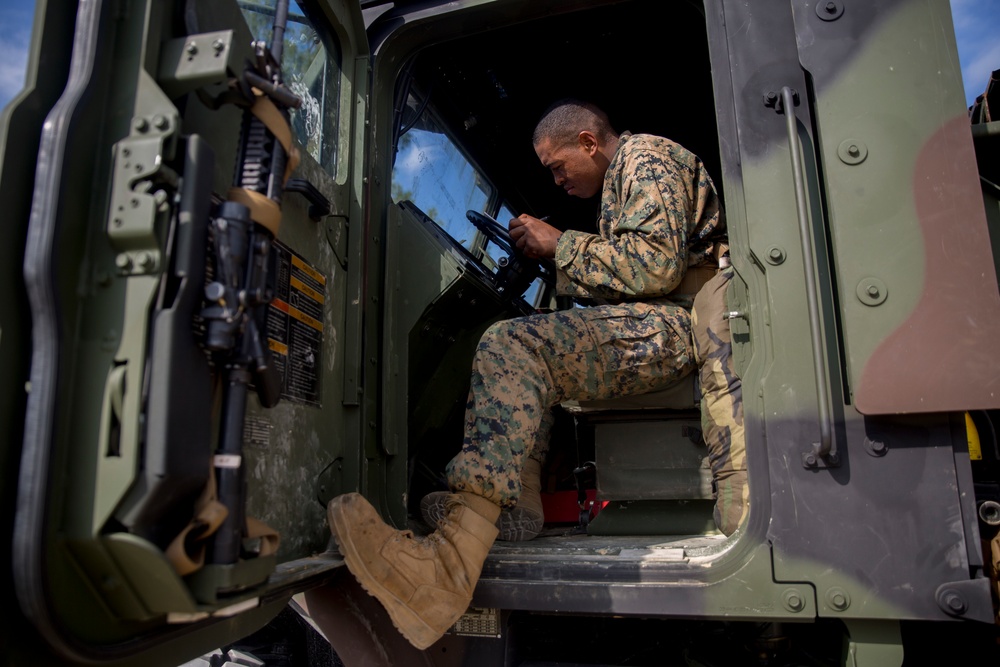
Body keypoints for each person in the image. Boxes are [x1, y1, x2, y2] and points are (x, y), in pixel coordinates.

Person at [327, 99, 728, 650]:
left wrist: (558, 242)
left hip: (678, 325)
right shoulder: (625, 177)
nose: (557, 178)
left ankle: (446, 573)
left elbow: (653, 266)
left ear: (589, 142)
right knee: (538, 344)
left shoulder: (646, 157)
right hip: (664, 317)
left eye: (558, 165)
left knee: (511, 343)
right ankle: (516, 503)